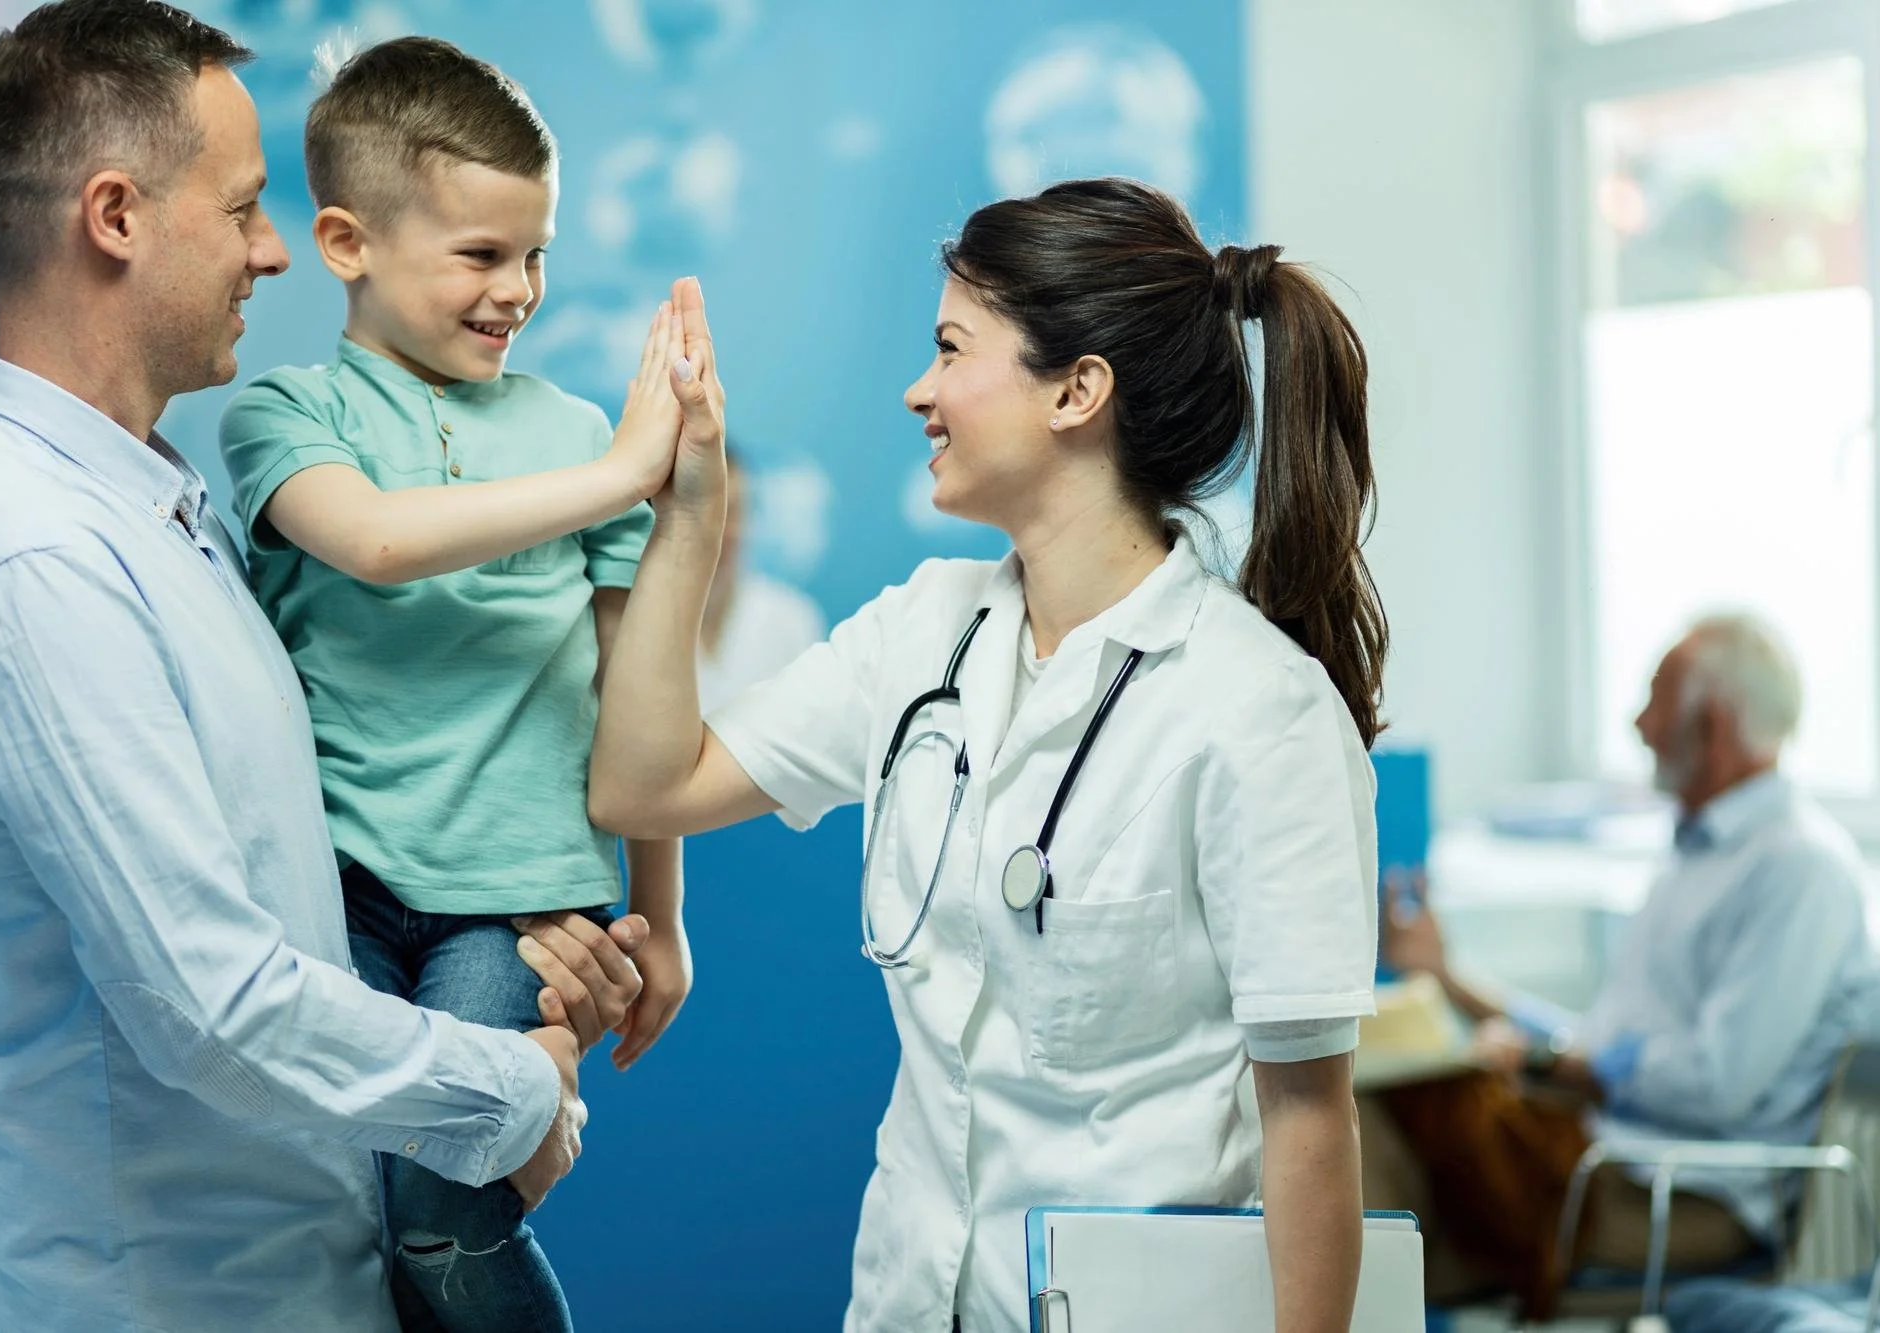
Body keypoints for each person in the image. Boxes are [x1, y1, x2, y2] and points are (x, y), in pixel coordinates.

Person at [0, 5, 645, 1330]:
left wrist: (541, 951)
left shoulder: (161, 509)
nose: (275, 249)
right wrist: (517, 1086)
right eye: (241, 210)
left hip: (314, 1273)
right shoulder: (30, 567)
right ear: (116, 217)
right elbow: (211, 1002)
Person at [592, 180, 1389, 1333]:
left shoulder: (1255, 709)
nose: (918, 390)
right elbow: (643, 785)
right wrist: (689, 521)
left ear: (1077, 390)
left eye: (951, 349)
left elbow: (1309, 1126)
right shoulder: (920, 632)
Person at [216, 36, 691, 1331]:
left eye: (536, 253)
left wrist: (663, 917)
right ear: (346, 241)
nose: (520, 290)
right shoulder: (283, 415)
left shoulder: (573, 430)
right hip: (344, 899)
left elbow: (634, 691)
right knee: (352, 1211)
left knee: (439, 1204)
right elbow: (374, 540)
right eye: (482, 256)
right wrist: (622, 476)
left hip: (520, 914)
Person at [1372, 613, 1880, 1316]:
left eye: (1656, 698)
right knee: (1382, 1131)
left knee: (1382, 1138)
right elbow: (1600, 1044)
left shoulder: (1799, 870)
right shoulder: (1695, 857)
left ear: (1715, 724)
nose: (1639, 722)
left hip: (1677, 1195)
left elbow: (1716, 1081)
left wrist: (1556, 1064)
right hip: (1608, 1159)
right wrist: (1447, 976)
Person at [696, 446, 827, 710]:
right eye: (708, 512)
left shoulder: (791, 618)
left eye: (734, 511)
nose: (723, 531)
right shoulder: (635, 619)